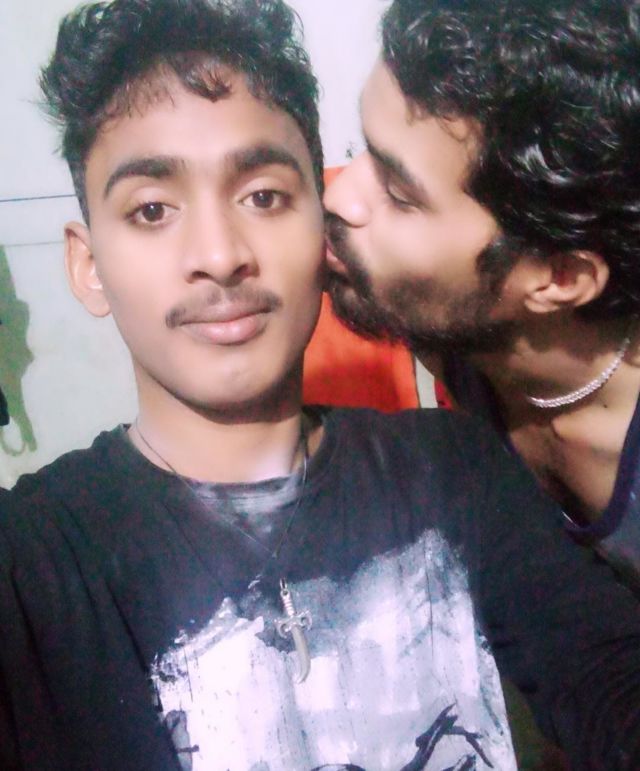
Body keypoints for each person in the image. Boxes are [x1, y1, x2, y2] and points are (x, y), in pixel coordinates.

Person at [3, 0, 640, 768]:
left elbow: (606, 673)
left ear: (318, 230)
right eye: (152, 209)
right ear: (87, 265)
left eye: (264, 196)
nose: (220, 254)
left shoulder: (453, 465)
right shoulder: (31, 559)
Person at [324, 0, 640, 592]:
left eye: (399, 193)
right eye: (357, 148)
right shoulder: (450, 322)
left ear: (559, 277)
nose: (338, 196)